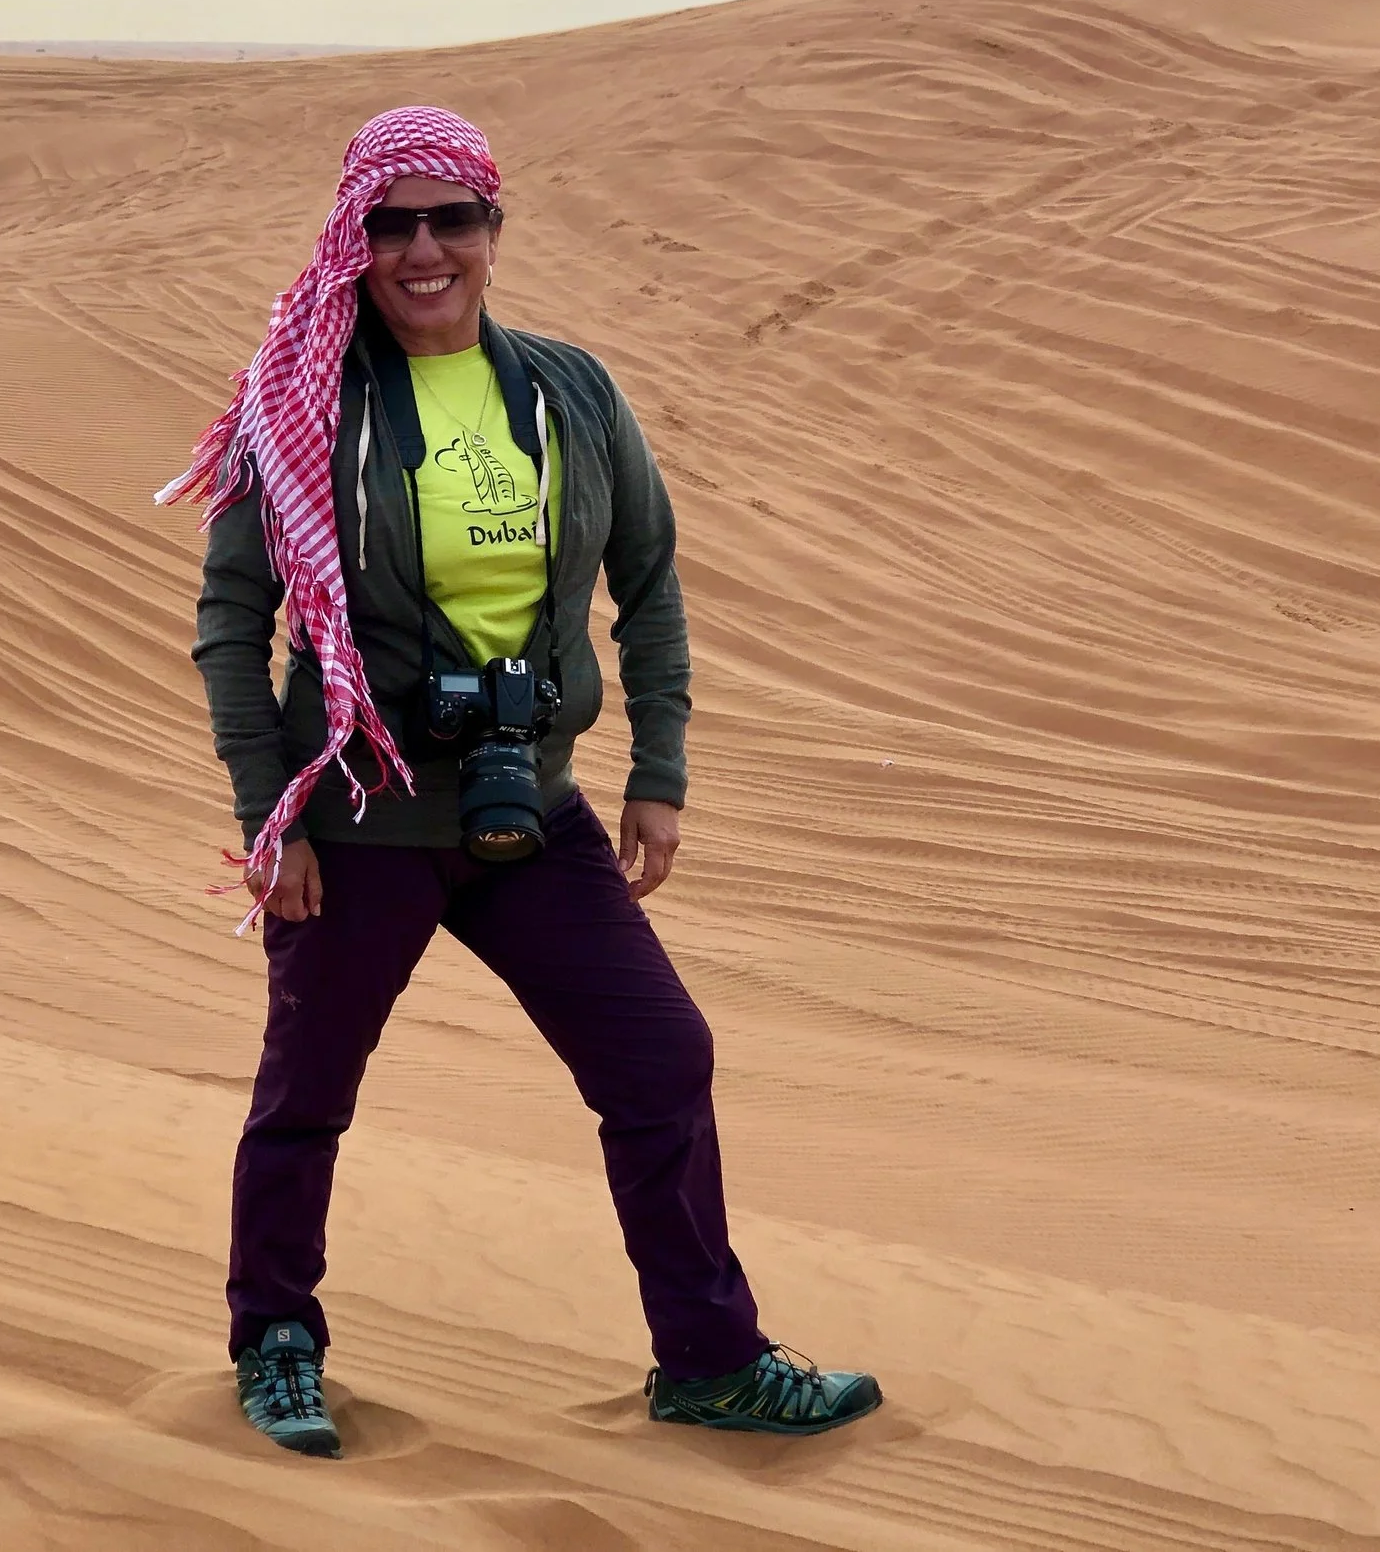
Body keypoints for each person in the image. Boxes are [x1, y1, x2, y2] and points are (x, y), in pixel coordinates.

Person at [162, 105, 880, 1459]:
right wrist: (272, 813)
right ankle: (275, 1344)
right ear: (353, 241)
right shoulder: (302, 407)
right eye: (393, 223)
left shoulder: (570, 394)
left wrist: (658, 770)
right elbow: (230, 618)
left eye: (453, 218)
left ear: (496, 229)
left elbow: (649, 583)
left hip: (527, 807)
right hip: (362, 814)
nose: (424, 249)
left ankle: (712, 1359)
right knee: (306, 1091)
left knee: (662, 1058)